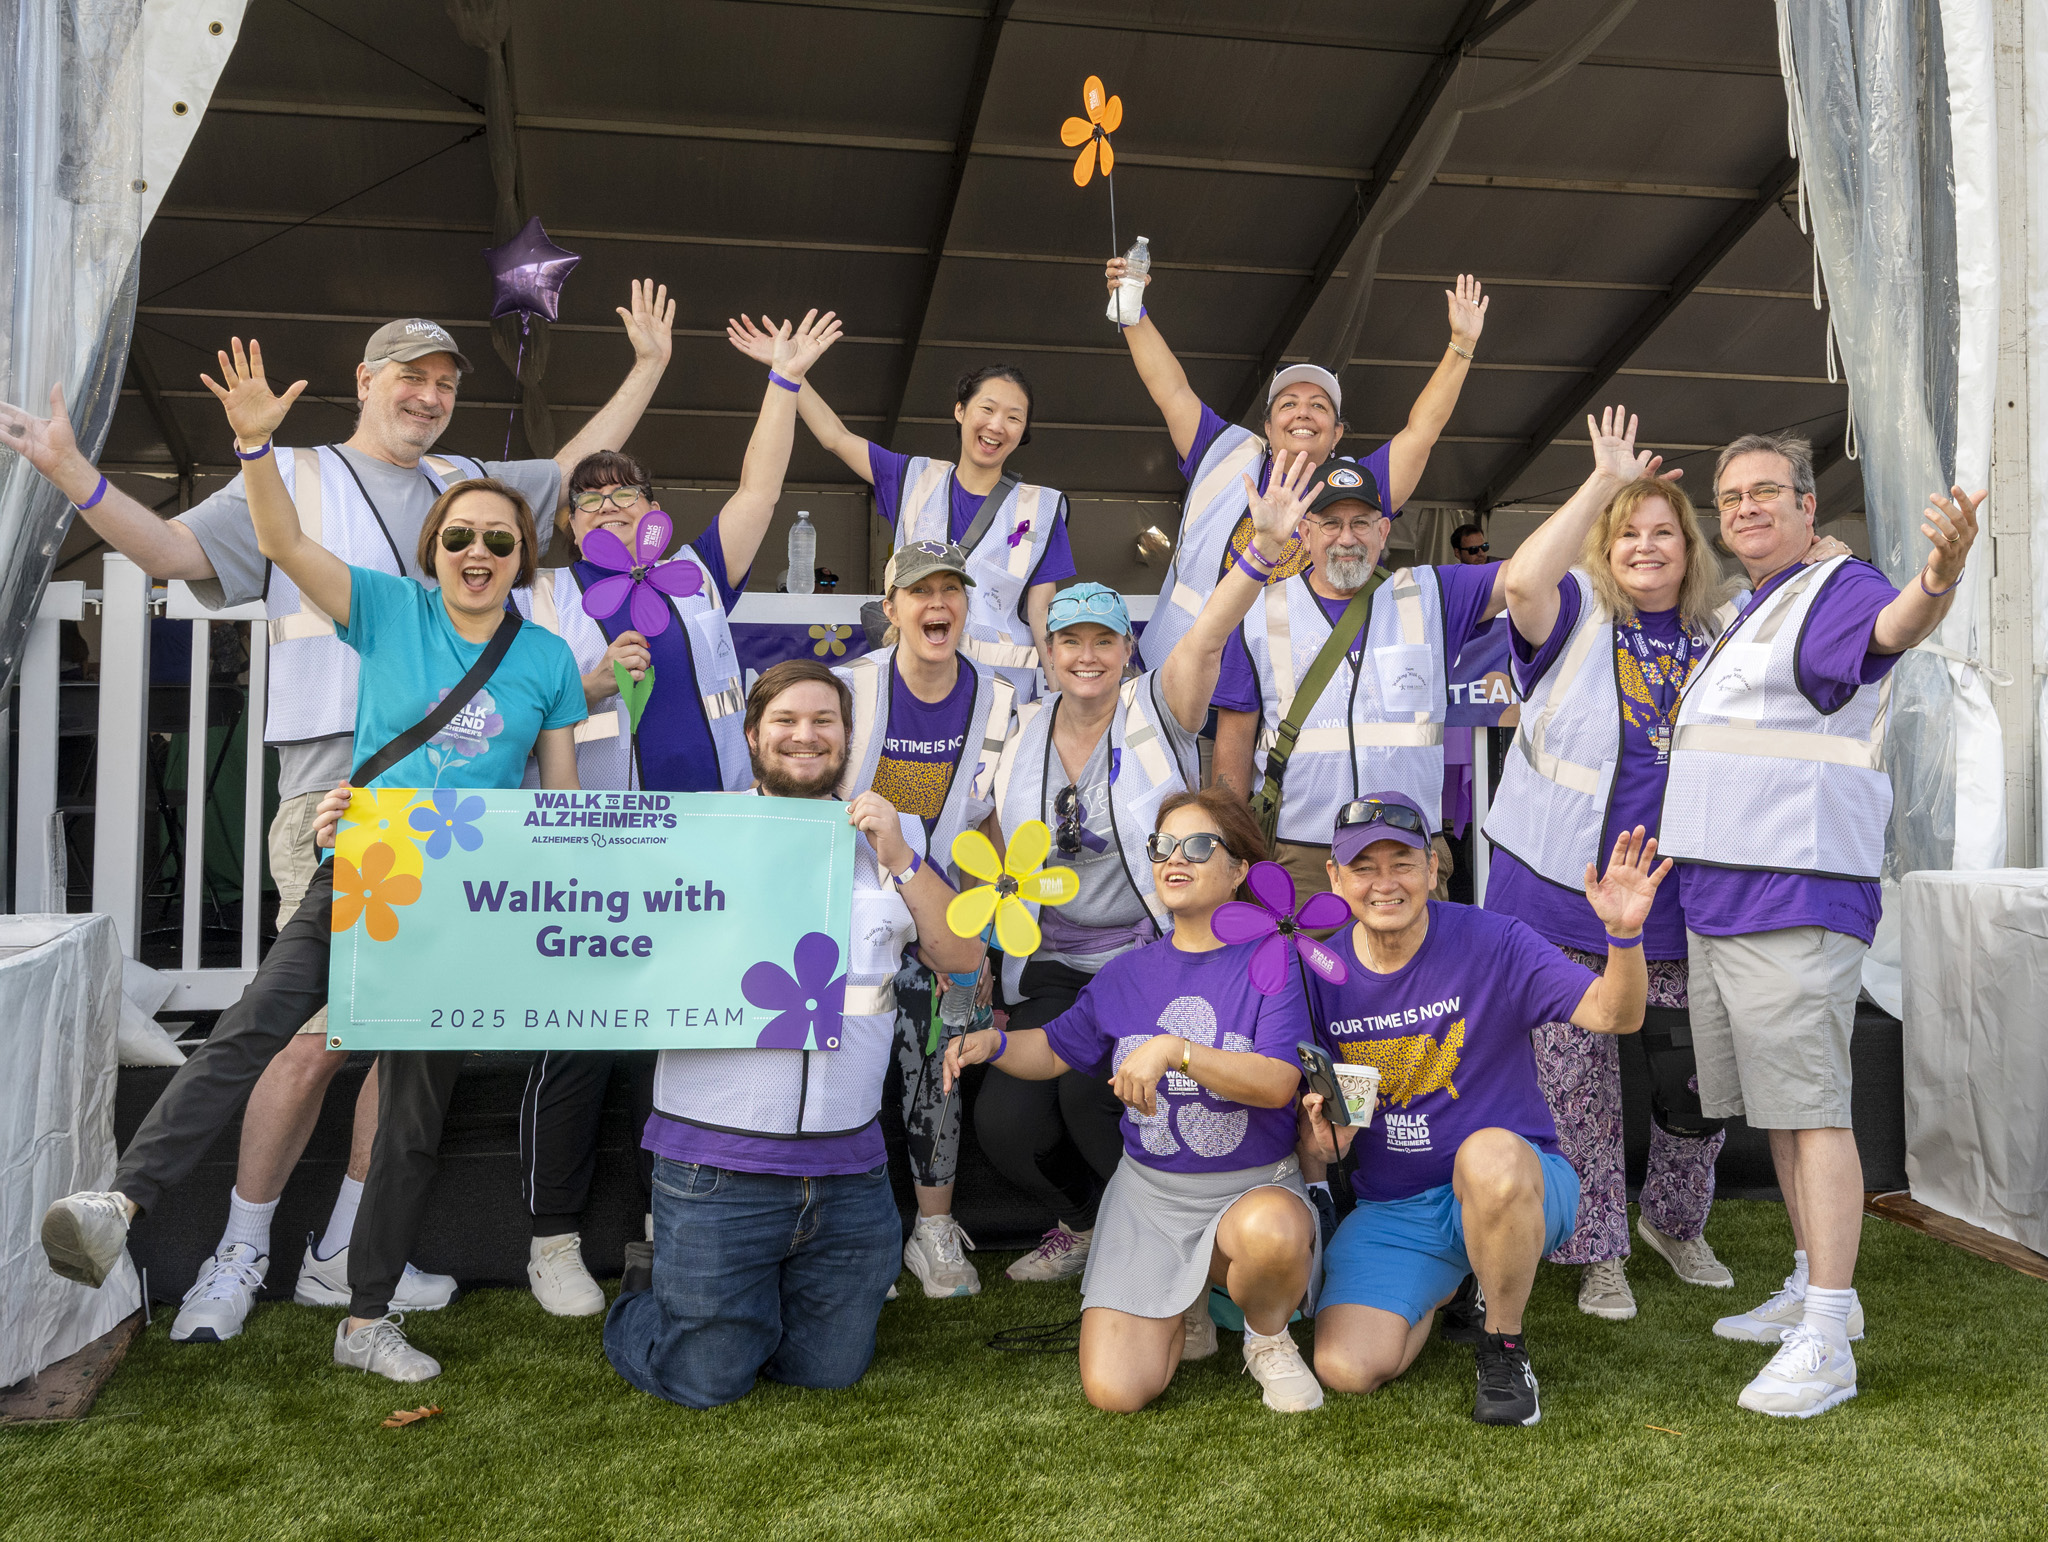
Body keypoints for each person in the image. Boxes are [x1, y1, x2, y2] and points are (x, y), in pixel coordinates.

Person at [0, 286, 673, 1341]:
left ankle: (354, 1261)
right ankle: (237, 1250)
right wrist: (72, 473)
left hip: (468, 834)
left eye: (448, 382)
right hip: (342, 803)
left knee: (406, 1056)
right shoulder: (304, 480)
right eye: (410, 375)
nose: (430, 395)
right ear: (364, 381)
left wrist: (646, 367)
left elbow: (571, 483)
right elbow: (176, 554)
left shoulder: (474, 495)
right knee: (308, 1037)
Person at [510, 311, 840, 1315]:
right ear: (566, 523)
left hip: (712, 840)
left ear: (654, 508)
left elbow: (759, 489)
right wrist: (595, 682)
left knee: (696, 1037)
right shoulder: (542, 597)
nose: (609, 508)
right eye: (590, 499)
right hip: (597, 847)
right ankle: (550, 1239)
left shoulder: (696, 571)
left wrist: (781, 383)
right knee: (579, 1047)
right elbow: (526, 713)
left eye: (628, 494)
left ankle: (673, 1222)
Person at [1659, 434, 1981, 1418]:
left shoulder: (1833, 588)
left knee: (1812, 1114)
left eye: (1764, 492)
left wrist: (1940, 572)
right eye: (1729, 497)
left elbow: (1895, 624)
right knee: (1784, 1116)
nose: (1745, 508)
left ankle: (1827, 1335)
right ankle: (1813, 1291)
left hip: (1791, 895)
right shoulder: (1745, 611)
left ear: (1806, 507)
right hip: (1725, 902)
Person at [603, 660, 984, 1410]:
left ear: (848, 740)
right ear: (753, 736)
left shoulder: (887, 845)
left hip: (848, 1174)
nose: (805, 736)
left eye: (824, 722)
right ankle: (648, 1290)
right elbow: (551, 873)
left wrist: (902, 857)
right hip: (717, 1162)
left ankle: (740, 1305)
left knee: (827, 1371)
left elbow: (962, 959)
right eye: (785, 721)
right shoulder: (698, 831)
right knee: (704, 1381)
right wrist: (360, 838)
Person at [977, 455, 1318, 1285]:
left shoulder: (1157, 706)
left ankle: (1169, 1232)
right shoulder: (1017, 729)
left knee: (1090, 1094)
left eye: (1102, 640)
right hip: (1053, 961)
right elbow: (986, 837)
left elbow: (1207, 632)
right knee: (1005, 1121)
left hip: (1149, 955)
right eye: (1069, 641)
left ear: (1125, 648)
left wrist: (1260, 552)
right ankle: (1088, 1221)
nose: (1086, 656)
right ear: (1048, 651)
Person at [1484, 407, 1744, 1320]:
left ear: (1689, 548)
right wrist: (1601, 481)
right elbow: (1519, 580)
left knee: (1696, 1083)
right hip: (1558, 900)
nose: (1645, 546)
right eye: (1627, 532)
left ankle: (1673, 1222)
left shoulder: (1725, 635)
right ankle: (1594, 1251)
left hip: (1684, 907)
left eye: (1663, 531)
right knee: (1577, 1090)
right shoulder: (1575, 617)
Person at [946, 790, 1321, 1413]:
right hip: (1149, 1197)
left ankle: (1267, 1338)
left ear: (1239, 872)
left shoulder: (1273, 959)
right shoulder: (1126, 972)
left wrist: (1177, 1050)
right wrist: (992, 1044)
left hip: (1250, 1188)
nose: (1176, 858)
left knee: (1273, 1231)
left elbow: (1278, 1083)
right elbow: (1054, 1051)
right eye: (1162, 846)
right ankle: (1187, 1307)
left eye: (1199, 846)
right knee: (1115, 1391)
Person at [1299, 793, 1666, 1426]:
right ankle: (1458, 1279)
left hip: (1514, 1181)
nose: (1385, 883)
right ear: (1335, 879)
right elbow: (1330, 1137)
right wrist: (1328, 1140)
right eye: (1364, 867)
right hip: (1397, 1208)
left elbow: (1617, 1014)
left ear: (1434, 867)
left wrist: (1624, 935)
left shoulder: (1493, 940)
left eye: (1403, 863)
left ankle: (1503, 1344)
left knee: (1487, 1155)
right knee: (1347, 1368)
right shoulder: (1319, 969)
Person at [1104, 255, 1486, 670]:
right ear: (1267, 426)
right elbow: (1171, 389)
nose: (1303, 413)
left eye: (1319, 406)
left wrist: (1461, 345)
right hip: (1178, 676)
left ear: (1337, 433)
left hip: (1283, 694)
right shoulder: (1221, 449)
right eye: (1288, 404)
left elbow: (1421, 431)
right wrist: (1131, 311)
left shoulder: (1358, 484)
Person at [832, 539, 1015, 1298]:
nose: (937, 606)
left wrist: (982, 952)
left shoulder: (1001, 697)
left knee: (947, 1037)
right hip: (849, 915)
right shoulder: (848, 688)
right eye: (920, 592)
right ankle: (842, 1229)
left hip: (943, 911)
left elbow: (995, 825)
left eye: (951, 591)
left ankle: (933, 1228)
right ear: (892, 605)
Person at [728, 317, 1076, 701]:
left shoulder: (1042, 509)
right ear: (960, 411)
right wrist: (788, 372)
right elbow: (835, 437)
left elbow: (1043, 611)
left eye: (1014, 418)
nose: (997, 425)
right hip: (913, 686)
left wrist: (1058, 700)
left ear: (1023, 432)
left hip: (1001, 694)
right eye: (987, 409)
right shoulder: (911, 477)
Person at [1211, 462, 1505, 904]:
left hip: (1408, 851)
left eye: (1361, 523)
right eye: (1330, 523)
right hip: (1298, 859)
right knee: (1303, 975)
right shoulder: (1254, 612)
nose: (1346, 538)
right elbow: (1231, 751)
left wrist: (1599, 487)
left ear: (1384, 531)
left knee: (1412, 976)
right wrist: (1232, 855)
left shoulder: (1432, 594)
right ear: (1305, 534)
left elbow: (1527, 578)